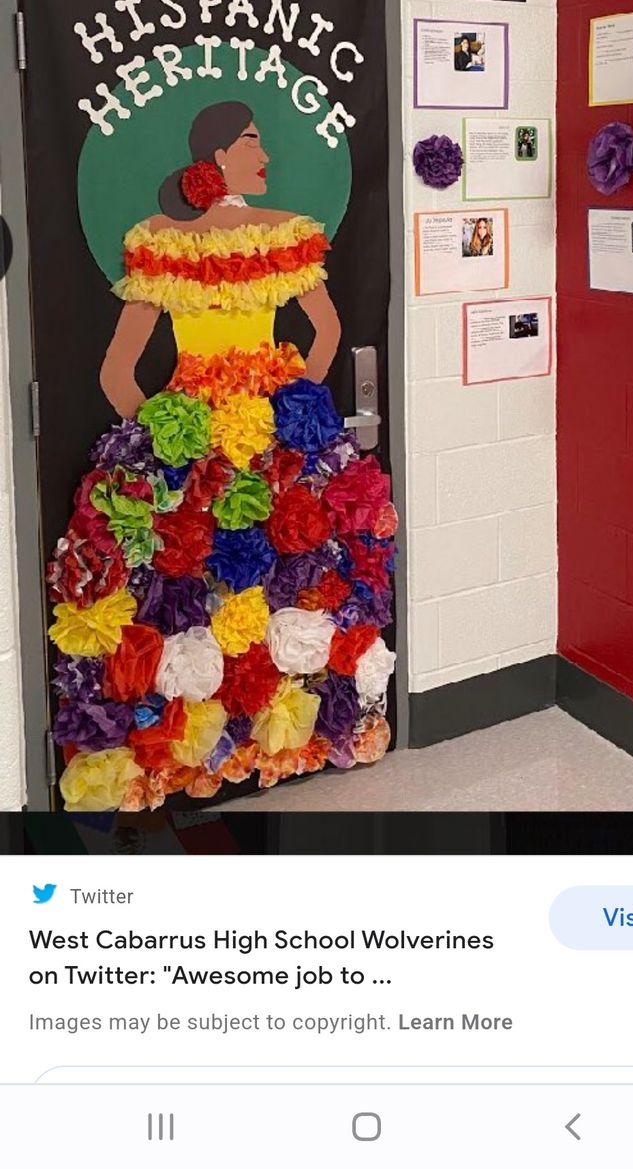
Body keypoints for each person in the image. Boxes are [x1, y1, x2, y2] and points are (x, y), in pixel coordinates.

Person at [48, 101, 397, 814]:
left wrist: (156, 442)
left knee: (191, 586)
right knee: (278, 575)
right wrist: (291, 405)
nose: (264, 151)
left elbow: (120, 371)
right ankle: (275, 737)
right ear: (216, 159)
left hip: (190, 440)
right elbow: (324, 334)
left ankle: (189, 753)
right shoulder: (281, 234)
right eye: (251, 139)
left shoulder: (162, 243)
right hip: (273, 436)